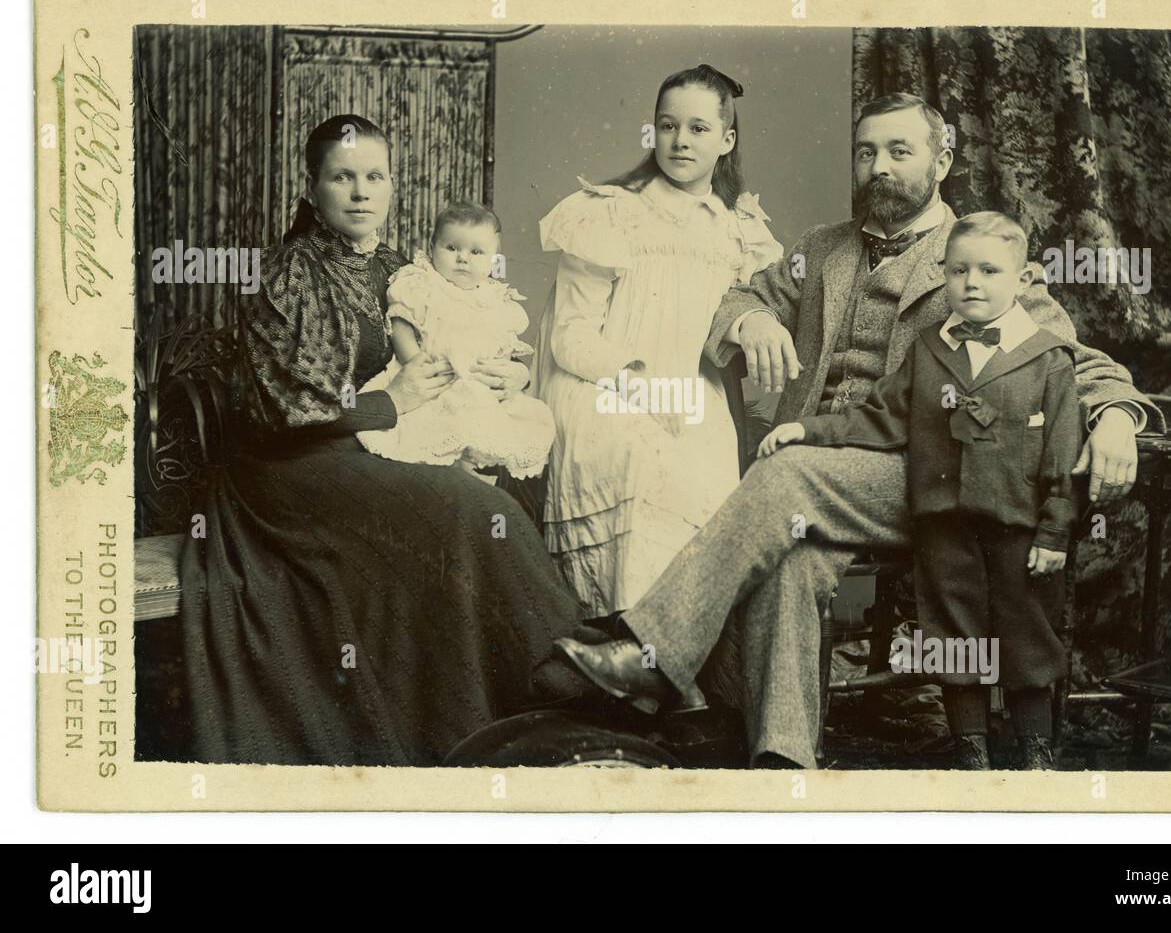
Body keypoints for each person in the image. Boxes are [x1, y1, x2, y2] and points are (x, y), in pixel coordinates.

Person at [554, 93, 1164, 769]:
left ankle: (653, 653)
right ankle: (785, 761)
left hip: (927, 477)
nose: (879, 167)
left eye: (900, 152)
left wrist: (1115, 416)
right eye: (867, 152)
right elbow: (742, 296)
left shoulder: (975, 258)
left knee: (783, 475)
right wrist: (752, 322)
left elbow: (1070, 360)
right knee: (791, 558)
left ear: (943, 158)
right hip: (828, 467)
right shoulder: (822, 249)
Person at [179, 115, 583, 767]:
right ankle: (556, 674)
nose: (361, 192)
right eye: (343, 177)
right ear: (312, 188)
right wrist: (388, 403)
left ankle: (520, 704)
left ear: (394, 186)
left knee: (503, 484)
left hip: (385, 447)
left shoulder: (410, 273)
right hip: (294, 469)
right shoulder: (283, 276)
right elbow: (280, 408)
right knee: (468, 507)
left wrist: (512, 372)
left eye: (375, 176)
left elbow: (477, 339)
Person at [759, 211, 1081, 770]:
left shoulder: (1047, 359)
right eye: (959, 271)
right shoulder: (931, 350)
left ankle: (1035, 753)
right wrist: (806, 429)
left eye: (988, 271)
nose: (972, 283)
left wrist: (1054, 530)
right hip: (944, 526)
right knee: (956, 640)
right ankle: (971, 754)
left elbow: (1061, 456)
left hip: (1018, 530)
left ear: (1024, 279)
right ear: (943, 276)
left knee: (1026, 638)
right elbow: (877, 418)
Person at [534, 64, 782, 626]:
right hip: (602, 385)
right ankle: (625, 647)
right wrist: (638, 384)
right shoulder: (610, 212)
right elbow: (570, 337)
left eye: (698, 128)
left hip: (696, 392)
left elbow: (751, 314)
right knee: (639, 458)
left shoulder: (740, 229)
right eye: (667, 126)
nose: (680, 141)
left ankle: (667, 664)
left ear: (727, 139)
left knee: (698, 469)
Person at [357, 201, 555, 481]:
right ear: (433, 245)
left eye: (476, 252)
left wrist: (509, 371)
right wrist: (415, 361)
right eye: (452, 248)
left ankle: (478, 467)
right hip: (433, 379)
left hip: (478, 384)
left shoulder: (494, 299)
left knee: (505, 424)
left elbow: (503, 346)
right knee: (438, 430)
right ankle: (457, 471)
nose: (463, 258)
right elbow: (400, 325)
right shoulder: (421, 283)